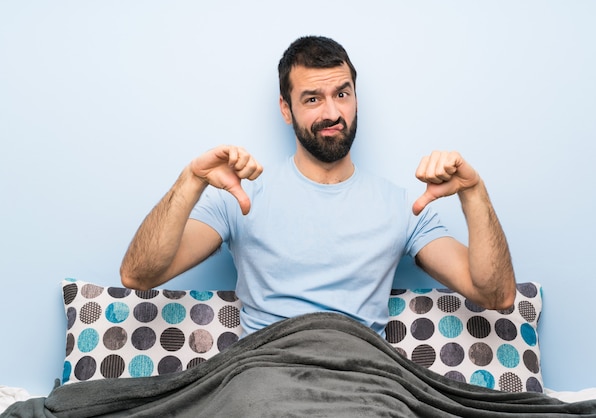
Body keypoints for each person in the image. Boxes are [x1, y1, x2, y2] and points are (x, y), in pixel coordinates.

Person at [120, 35, 517, 338]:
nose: (332, 113)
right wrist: (191, 181)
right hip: (263, 372)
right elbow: (139, 275)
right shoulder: (241, 198)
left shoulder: (403, 207)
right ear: (286, 109)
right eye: (312, 98)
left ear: (355, 99)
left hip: (365, 378)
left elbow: (496, 296)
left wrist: (473, 192)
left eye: (342, 94)